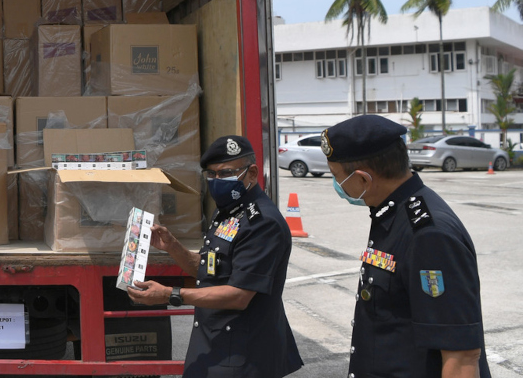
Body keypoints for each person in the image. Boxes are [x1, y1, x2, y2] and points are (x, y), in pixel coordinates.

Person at [322, 114, 491, 378]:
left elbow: (461, 357)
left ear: (364, 180)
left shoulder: (428, 235)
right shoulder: (392, 212)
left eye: (337, 177)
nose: (337, 185)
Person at [128, 135, 303, 378]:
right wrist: (173, 246)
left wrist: (170, 294)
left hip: (243, 354)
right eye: (212, 174)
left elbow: (239, 295)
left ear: (252, 173)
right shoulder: (229, 213)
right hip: (216, 343)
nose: (217, 181)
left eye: (226, 173)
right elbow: (210, 269)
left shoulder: (262, 223)